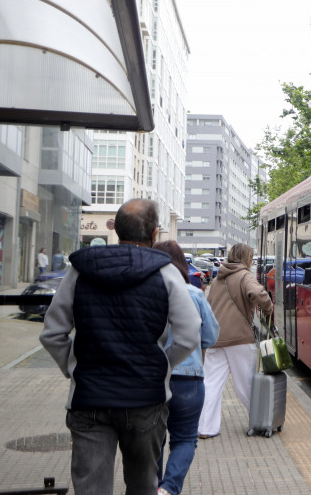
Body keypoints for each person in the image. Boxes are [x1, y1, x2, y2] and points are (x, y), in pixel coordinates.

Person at [39, 199, 201, 495]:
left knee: (91, 490)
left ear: (116, 230)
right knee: (143, 487)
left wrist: (72, 369)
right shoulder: (165, 274)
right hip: (146, 400)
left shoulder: (80, 270)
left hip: (89, 399)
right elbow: (190, 335)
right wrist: (161, 368)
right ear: (154, 235)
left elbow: (52, 334)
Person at [153, 241, 220, 495]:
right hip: (189, 379)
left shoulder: (147, 292)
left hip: (155, 377)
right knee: (184, 439)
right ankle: (168, 489)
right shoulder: (195, 294)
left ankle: (151, 486)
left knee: (153, 439)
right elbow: (211, 336)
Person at [197, 243, 273, 439]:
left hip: (216, 338)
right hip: (240, 338)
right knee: (246, 384)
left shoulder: (217, 279)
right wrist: (268, 307)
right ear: (245, 258)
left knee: (211, 382)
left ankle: (206, 428)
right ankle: (260, 421)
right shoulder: (245, 275)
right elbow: (256, 293)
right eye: (250, 256)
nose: (251, 260)